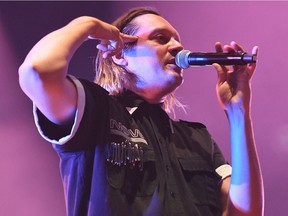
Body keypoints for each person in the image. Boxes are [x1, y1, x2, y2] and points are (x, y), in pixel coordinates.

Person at [18, 6, 264, 216]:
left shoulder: (197, 138)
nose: (177, 46)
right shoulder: (94, 111)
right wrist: (87, 24)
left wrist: (238, 111)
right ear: (119, 55)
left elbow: (245, 213)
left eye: (177, 39)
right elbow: (36, 72)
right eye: (160, 38)